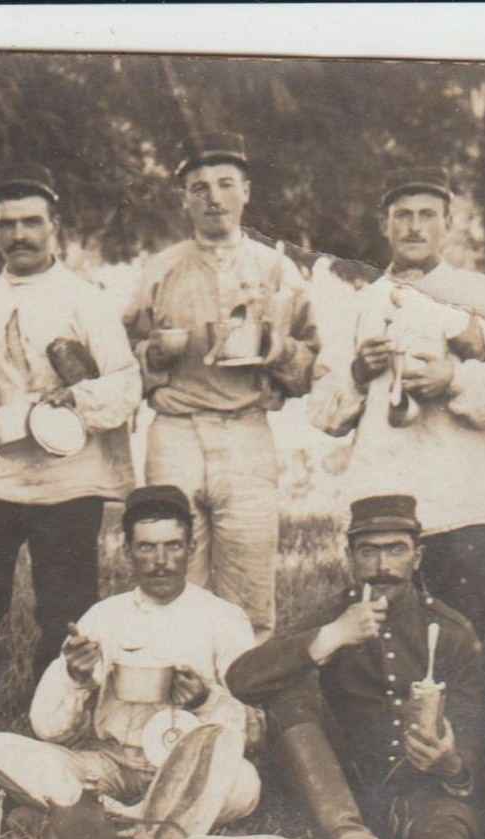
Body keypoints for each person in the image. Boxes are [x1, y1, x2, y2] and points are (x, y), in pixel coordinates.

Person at [228, 495, 485, 839]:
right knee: (288, 691)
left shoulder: (451, 630)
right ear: (349, 558)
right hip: (340, 785)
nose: (382, 564)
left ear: (417, 556)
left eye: (396, 549)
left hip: (414, 788)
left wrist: (450, 762)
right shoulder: (330, 615)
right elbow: (242, 678)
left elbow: (474, 726)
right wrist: (330, 638)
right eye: (368, 551)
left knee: (449, 821)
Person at [309, 166, 485, 719]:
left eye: (427, 215)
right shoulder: (362, 302)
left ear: (449, 224)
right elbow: (323, 409)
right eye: (402, 215)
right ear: (384, 225)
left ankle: (470, 762)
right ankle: (387, 758)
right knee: (386, 641)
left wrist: (453, 379)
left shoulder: (483, 297)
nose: (414, 227)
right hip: (388, 504)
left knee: (470, 641)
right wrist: (359, 377)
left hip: (464, 503)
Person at [0, 164, 141, 707]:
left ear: (55, 228)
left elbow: (124, 383)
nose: (19, 235)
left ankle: (56, 708)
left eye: (31, 222)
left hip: (67, 481)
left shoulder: (85, 300)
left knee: (65, 610)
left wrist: (76, 397)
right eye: (7, 225)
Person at [0, 485, 261, 839]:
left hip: (183, 768)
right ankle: (137, 823)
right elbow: (48, 730)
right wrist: (74, 676)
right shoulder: (104, 616)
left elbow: (252, 728)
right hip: (107, 765)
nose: (160, 560)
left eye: (173, 546)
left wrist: (204, 700)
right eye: (146, 547)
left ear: (191, 548)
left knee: (245, 785)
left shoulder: (224, 619)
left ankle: (95, 820)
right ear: (127, 551)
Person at [123, 132, 320, 639]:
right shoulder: (160, 269)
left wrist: (277, 349)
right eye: (199, 186)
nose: (213, 197)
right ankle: (169, 704)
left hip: (246, 431)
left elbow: (312, 363)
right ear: (185, 198)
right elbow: (119, 360)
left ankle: (245, 711)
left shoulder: (277, 269)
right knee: (171, 582)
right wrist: (153, 355)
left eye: (226, 184)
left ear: (247, 192)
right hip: (176, 431)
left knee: (250, 587)